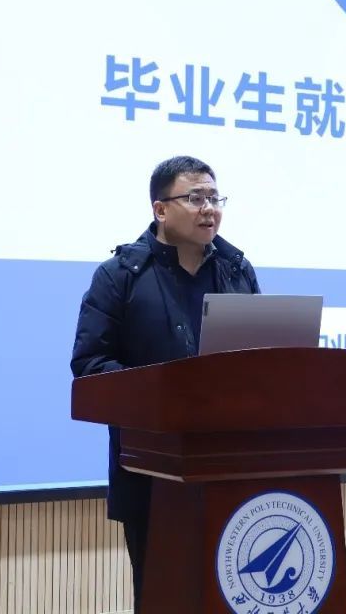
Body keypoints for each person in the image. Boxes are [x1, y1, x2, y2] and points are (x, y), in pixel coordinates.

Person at [70, 155, 260, 610]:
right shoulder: (120, 276)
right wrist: (162, 391)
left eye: (215, 198)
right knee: (164, 597)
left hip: (232, 465)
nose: (209, 208)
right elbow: (90, 364)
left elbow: (262, 361)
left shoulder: (236, 270)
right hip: (152, 473)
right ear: (160, 209)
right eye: (195, 198)